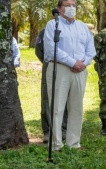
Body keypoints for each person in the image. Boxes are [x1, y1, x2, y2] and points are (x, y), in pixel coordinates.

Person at [44, 0, 96, 150]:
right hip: (59, 69)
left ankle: (74, 143)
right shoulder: (52, 24)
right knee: (57, 108)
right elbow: (51, 49)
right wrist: (73, 62)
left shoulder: (82, 27)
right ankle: (56, 144)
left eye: (74, 5)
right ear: (59, 8)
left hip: (80, 71)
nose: (71, 7)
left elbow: (91, 50)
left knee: (76, 108)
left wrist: (82, 63)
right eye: (67, 5)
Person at [35, 8, 68, 144]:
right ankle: (48, 131)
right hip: (49, 66)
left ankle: (63, 128)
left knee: (65, 97)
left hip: (66, 67)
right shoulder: (44, 32)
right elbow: (39, 52)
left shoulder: (69, 32)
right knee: (47, 99)